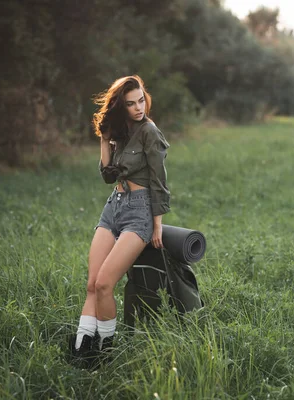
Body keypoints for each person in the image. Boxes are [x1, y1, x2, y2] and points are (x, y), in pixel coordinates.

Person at [69, 75, 170, 368]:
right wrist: (104, 137)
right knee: (91, 284)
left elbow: (159, 181)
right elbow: (107, 176)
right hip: (113, 206)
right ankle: (81, 351)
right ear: (121, 106)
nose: (139, 107)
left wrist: (157, 224)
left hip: (140, 211)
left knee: (104, 284)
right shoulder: (120, 130)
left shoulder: (149, 131)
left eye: (141, 100)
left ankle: (105, 351)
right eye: (131, 103)